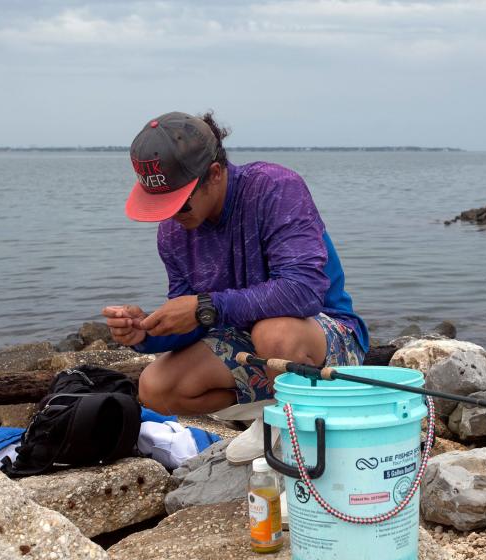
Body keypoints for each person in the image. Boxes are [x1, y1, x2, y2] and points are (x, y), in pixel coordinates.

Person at [103, 111, 368, 463]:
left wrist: (205, 306)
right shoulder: (173, 232)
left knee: (274, 332)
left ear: (214, 173)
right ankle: (269, 418)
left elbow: (305, 291)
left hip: (321, 334)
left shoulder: (274, 188)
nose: (172, 216)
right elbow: (193, 322)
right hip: (246, 343)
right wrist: (145, 334)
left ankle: (297, 444)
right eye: (161, 205)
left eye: (178, 202)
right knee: (155, 386)